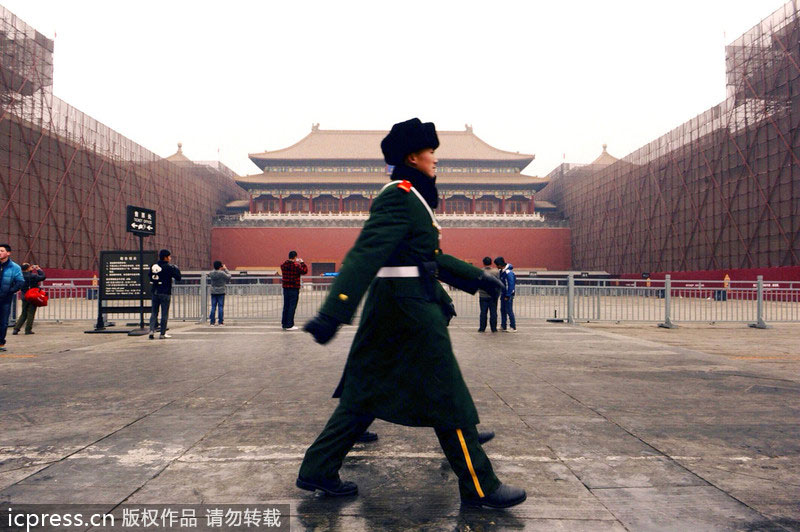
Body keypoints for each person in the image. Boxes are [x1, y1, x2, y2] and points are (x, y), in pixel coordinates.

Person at [299, 118, 526, 509]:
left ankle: (319, 467)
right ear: (412, 157)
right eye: (430, 152)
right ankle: (479, 485)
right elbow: (366, 254)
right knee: (447, 394)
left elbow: (430, 258)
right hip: (408, 310)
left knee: (364, 395)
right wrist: (333, 313)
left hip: (397, 306)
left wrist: (477, 277)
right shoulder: (397, 195)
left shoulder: (412, 198)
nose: (435, 159)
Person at [149, 249, 182, 340]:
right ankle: (162, 334)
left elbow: (150, 277)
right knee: (164, 313)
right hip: (165, 292)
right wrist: (176, 268)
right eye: (169, 256)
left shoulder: (153, 266)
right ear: (165, 257)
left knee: (154, 312)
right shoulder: (169, 267)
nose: (170, 258)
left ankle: (151, 330)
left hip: (155, 291)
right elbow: (178, 278)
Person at [0, 244, 24, 352]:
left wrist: (10, 291)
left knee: (3, 322)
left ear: (8, 253)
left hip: (5, 299)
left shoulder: (14, 267)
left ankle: (0, 342)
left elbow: (20, 281)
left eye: (1, 250)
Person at [12, 263, 46, 335]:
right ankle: (28, 330)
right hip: (32, 296)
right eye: (30, 266)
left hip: (24, 296)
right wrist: (38, 269)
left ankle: (16, 329)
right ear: (28, 268)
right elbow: (43, 277)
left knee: (23, 313)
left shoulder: (20, 276)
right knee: (31, 313)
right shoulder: (33, 276)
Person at [280, 251, 308, 330]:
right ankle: (290, 324)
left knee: (286, 306)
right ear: (295, 257)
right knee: (292, 306)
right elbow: (304, 271)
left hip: (285, 288)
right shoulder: (296, 266)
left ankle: (284, 323)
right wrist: (302, 263)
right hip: (294, 288)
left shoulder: (283, 265)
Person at [477, 256, 499, 333]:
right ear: (491, 263)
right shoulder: (496, 272)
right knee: (493, 312)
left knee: (483, 312)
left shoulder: (480, 271)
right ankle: (494, 328)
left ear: (483, 263)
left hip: (483, 295)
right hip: (493, 295)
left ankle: (482, 328)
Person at [495, 257, 516, 332]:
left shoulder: (508, 272)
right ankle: (503, 325)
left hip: (508, 295)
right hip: (503, 294)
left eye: (497, 265)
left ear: (500, 265)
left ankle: (513, 327)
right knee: (502, 310)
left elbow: (510, 285)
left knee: (509, 310)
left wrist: (508, 295)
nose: (496, 267)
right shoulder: (502, 272)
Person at [208, 260, 231, 326]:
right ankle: (220, 321)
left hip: (213, 291)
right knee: (220, 307)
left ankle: (212, 322)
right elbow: (229, 276)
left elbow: (212, 272)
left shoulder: (211, 273)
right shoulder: (222, 273)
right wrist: (225, 268)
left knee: (213, 307)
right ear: (220, 266)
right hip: (221, 291)